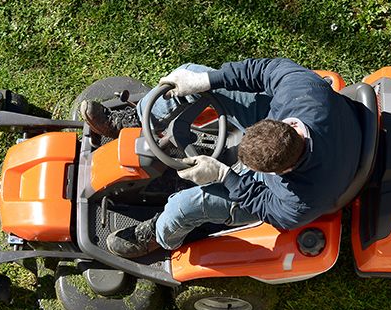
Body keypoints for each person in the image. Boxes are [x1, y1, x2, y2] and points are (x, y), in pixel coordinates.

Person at [80, 57, 363, 258]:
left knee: (186, 205)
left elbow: (263, 205)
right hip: (331, 130)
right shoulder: (301, 90)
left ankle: (158, 235)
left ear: (280, 172)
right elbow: (262, 70)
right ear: (285, 122)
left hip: (324, 173)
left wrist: (224, 176)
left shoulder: (299, 201)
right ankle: (139, 119)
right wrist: (204, 80)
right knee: (189, 74)